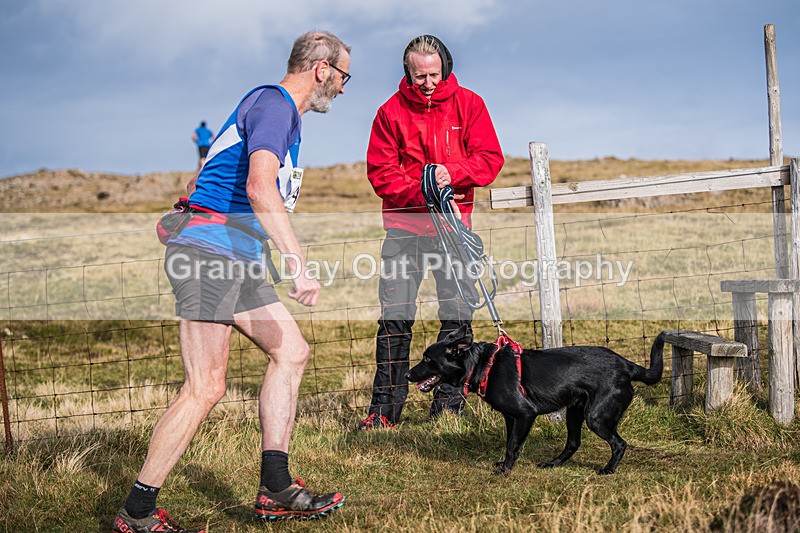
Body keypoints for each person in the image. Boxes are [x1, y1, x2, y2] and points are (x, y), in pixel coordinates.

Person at [113, 31, 352, 532]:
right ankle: (136, 513)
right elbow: (259, 186)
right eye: (344, 76)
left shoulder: (277, 114)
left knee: (292, 352)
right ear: (323, 68)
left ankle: (276, 487)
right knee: (205, 386)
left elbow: (209, 175)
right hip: (210, 255)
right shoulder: (276, 105)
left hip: (232, 257)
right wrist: (298, 265)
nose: (345, 89)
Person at [358, 35, 504, 430]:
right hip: (405, 232)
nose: (427, 83)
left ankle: (448, 406)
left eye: (434, 74)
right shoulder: (389, 112)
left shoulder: (470, 104)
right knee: (395, 321)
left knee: (457, 318)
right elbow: (381, 174)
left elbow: (489, 159)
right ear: (407, 72)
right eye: (419, 75)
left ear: (447, 68)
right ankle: (384, 412)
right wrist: (423, 186)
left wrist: (449, 174)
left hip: (455, 232)